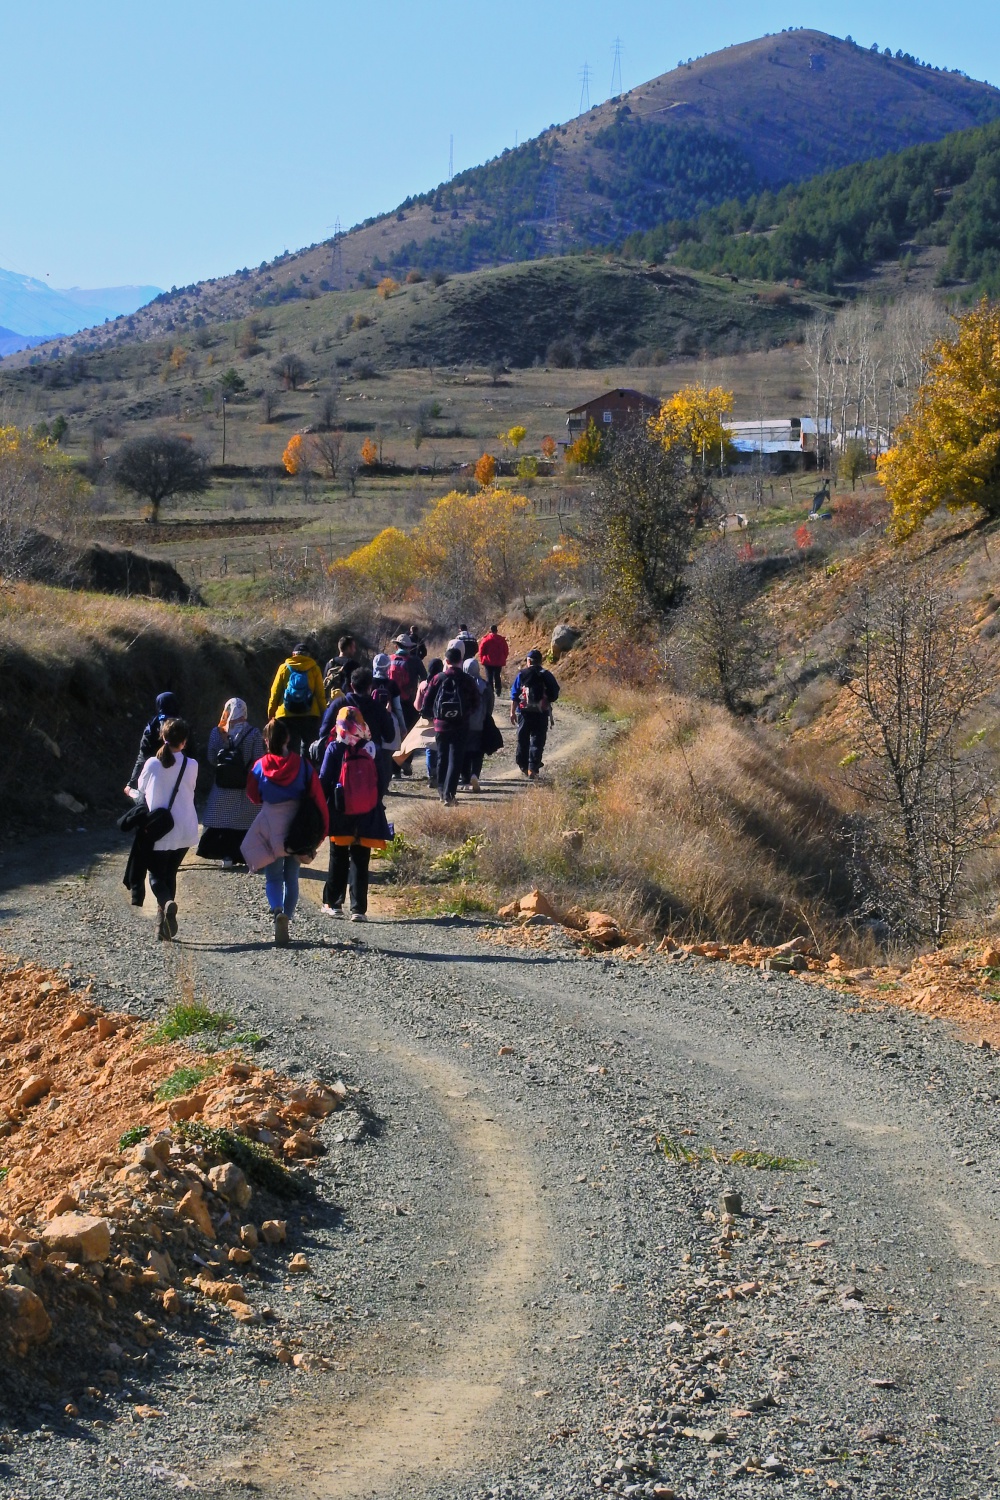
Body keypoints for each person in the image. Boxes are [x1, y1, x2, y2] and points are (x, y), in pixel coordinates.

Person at [242, 718, 328, 947]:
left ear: (266, 741)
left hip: (271, 823)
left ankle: (276, 910)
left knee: (273, 876)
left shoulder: (259, 766)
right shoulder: (302, 765)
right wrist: (320, 832)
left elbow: (253, 795)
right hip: (297, 825)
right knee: (292, 877)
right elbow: (317, 797)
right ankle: (287, 919)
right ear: (288, 738)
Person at [126, 717, 198, 942]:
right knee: (170, 873)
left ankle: (166, 903)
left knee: (156, 875)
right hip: (185, 828)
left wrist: (128, 792)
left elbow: (142, 792)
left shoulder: (151, 764)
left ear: (162, 737)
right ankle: (163, 926)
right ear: (184, 742)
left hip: (159, 830)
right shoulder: (192, 765)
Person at [319, 706, 389, 922]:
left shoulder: (334, 748)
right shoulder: (371, 747)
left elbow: (323, 780)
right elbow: (383, 778)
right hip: (366, 811)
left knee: (338, 857)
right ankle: (358, 909)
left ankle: (334, 904)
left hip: (340, 811)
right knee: (360, 859)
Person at [196, 698, 265, 866]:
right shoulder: (254, 733)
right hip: (245, 785)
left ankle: (225, 856)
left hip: (222, 785)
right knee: (244, 821)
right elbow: (259, 760)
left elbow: (212, 758)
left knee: (220, 819)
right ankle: (244, 856)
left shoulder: (217, 732)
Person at [422, 647, 481, 805]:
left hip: (441, 725)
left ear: (446, 662)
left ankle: (441, 792)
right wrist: (466, 713)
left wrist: (432, 716)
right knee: (456, 758)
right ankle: (450, 794)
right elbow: (477, 701)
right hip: (461, 725)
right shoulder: (467, 679)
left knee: (442, 757)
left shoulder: (437, 678)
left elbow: (426, 702)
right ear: (460, 661)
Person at [266, 643, 325, 758]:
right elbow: (320, 694)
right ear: (308, 655)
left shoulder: (284, 667)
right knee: (309, 748)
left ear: (293, 654)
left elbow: (275, 692)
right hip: (310, 715)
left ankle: (291, 772)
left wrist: (271, 713)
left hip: (286, 714)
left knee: (289, 748)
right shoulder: (314, 668)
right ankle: (307, 772)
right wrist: (324, 713)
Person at [127, 692, 196, 790]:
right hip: (179, 781)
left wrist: (131, 783)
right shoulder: (183, 726)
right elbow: (192, 754)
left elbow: (142, 756)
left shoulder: (152, 726)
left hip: (154, 781)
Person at [509, 648, 560, 779]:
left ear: (529, 661)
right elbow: (555, 692)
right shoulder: (546, 674)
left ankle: (523, 766)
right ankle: (533, 768)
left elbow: (515, 695)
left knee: (523, 740)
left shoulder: (522, 674)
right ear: (540, 661)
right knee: (538, 740)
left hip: (524, 713)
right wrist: (546, 699)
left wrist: (512, 712)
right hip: (541, 712)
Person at [459, 658, 494, 792]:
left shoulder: (461, 683)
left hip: (463, 724)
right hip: (480, 723)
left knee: (464, 752)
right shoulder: (485, 685)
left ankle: (465, 779)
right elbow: (490, 704)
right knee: (478, 751)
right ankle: (475, 775)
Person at [413, 656, 443, 787]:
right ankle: (443, 774)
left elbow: (418, 706)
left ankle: (432, 775)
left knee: (430, 749)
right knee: (442, 747)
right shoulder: (444, 681)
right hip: (442, 719)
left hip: (428, 720)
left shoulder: (424, 684)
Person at [478, 625, 509, 695]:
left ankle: (490, 691)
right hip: (499, 661)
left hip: (488, 661)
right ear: (496, 631)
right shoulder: (501, 639)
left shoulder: (486, 639)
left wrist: (482, 658)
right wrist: (503, 657)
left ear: (490, 631)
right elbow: (506, 650)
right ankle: (498, 690)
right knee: (497, 675)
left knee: (489, 676)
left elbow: (481, 650)